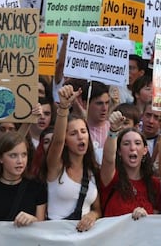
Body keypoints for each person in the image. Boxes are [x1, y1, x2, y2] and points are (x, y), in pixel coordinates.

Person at [46, 85, 101, 232]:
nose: (80, 136)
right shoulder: (56, 167)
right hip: (55, 238)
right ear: (65, 140)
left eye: (83, 131)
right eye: (73, 133)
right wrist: (63, 107)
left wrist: (92, 215)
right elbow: (57, 141)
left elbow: (97, 209)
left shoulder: (92, 171)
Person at [99, 111, 161, 219]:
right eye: (126, 144)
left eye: (137, 143)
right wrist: (113, 130)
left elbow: (158, 221)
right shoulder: (111, 178)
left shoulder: (154, 184)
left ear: (145, 150)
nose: (132, 148)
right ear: (118, 151)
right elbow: (108, 159)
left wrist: (146, 218)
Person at [0, 131, 47, 227]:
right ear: (0, 158)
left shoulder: (37, 185)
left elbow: (42, 227)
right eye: (13, 155)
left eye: (24, 155)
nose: (20, 161)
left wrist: (33, 220)